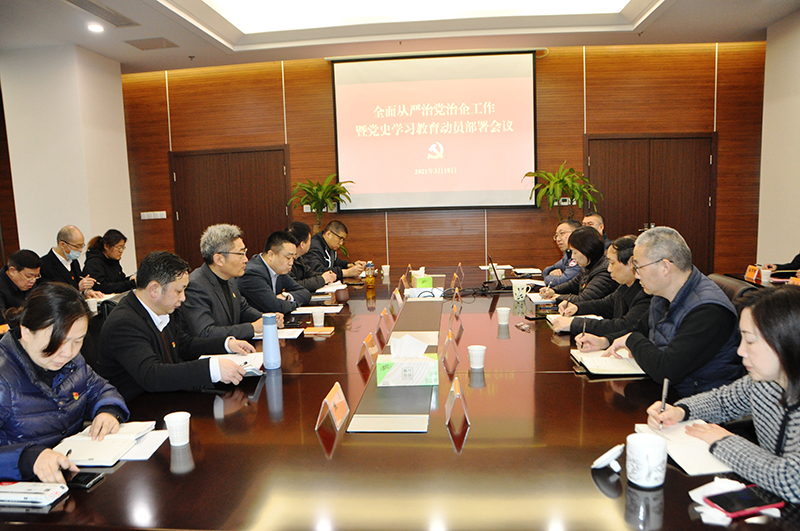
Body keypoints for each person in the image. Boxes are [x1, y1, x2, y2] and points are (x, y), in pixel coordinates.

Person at [647, 286, 800, 503]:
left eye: (750, 341)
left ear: (786, 341)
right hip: (770, 499)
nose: (740, 350)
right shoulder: (766, 380)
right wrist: (680, 411)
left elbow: (793, 481)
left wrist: (724, 441)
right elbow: (724, 401)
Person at [577, 227, 742, 397]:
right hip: (667, 392)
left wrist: (632, 340)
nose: (636, 275)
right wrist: (604, 341)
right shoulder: (663, 293)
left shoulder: (707, 311)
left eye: (638, 266)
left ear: (665, 267)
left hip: (697, 401)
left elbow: (667, 369)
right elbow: (639, 329)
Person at [0, 283, 129, 483]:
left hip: (71, 475)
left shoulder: (73, 362)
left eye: (78, 341)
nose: (68, 352)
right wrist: (26, 458)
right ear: (26, 332)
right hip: (22, 488)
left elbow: (101, 390)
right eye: (57, 341)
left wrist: (108, 410)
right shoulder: (4, 378)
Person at [96, 251, 255, 402]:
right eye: (179, 291)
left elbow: (184, 344)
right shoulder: (124, 323)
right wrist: (211, 369)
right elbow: (152, 375)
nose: (183, 298)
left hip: (166, 396)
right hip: (138, 407)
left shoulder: (162, 308)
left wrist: (226, 344)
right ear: (154, 289)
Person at [550, 235, 652, 336]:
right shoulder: (625, 286)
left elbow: (625, 326)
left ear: (631, 263)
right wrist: (577, 307)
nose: (609, 269)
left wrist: (577, 324)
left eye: (612, 263)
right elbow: (605, 305)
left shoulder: (646, 292)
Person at [180, 224, 266, 339]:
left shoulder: (229, 279)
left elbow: (242, 309)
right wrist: (252, 328)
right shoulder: (195, 286)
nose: (246, 259)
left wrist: (266, 318)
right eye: (240, 254)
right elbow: (206, 332)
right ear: (219, 259)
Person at [238, 231, 312, 314]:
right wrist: (292, 304)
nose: (291, 263)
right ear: (271, 255)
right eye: (288, 257)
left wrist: (287, 297)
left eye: (293, 258)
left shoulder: (278, 270)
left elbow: (305, 293)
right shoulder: (252, 274)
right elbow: (275, 307)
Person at [539, 226, 617, 304]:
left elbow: (584, 299)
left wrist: (557, 297)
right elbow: (572, 285)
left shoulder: (604, 271)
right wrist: (553, 290)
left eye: (575, 252)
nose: (572, 257)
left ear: (587, 250)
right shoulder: (587, 267)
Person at [39, 225, 103, 299]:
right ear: (63, 244)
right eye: (77, 246)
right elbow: (50, 294)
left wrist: (86, 291)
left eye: (82, 246)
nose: (80, 250)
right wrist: (77, 288)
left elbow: (78, 280)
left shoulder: (74, 261)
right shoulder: (45, 264)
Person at [287, 221, 337, 291]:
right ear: (302, 245)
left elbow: (309, 273)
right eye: (310, 240)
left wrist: (327, 275)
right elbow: (294, 285)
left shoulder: (299, 258)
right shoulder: (286, 262)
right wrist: (322, 279)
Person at [83, 229, 136, 294]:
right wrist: (132, 283)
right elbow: (104, 287)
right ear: (106, 246)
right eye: (119, 247)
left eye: (123, 247)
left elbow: (120, 281)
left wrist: (132, 279)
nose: (121, 251)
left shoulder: (113, 260)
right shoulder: (94, 262)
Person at [0, 250, 41, 325]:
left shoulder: (30, 283)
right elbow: (3, 321)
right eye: (28, 276)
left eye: (36, 276)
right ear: (12, 271)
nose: (33, 281)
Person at [542, 219, 582, 287]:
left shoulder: (580, 255)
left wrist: (547, 278)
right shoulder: (568, 253)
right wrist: (551, 272)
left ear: (576, 233)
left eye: (562, 233)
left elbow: (562, 281)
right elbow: (546, 271)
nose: (558, 239)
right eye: (556, 235)